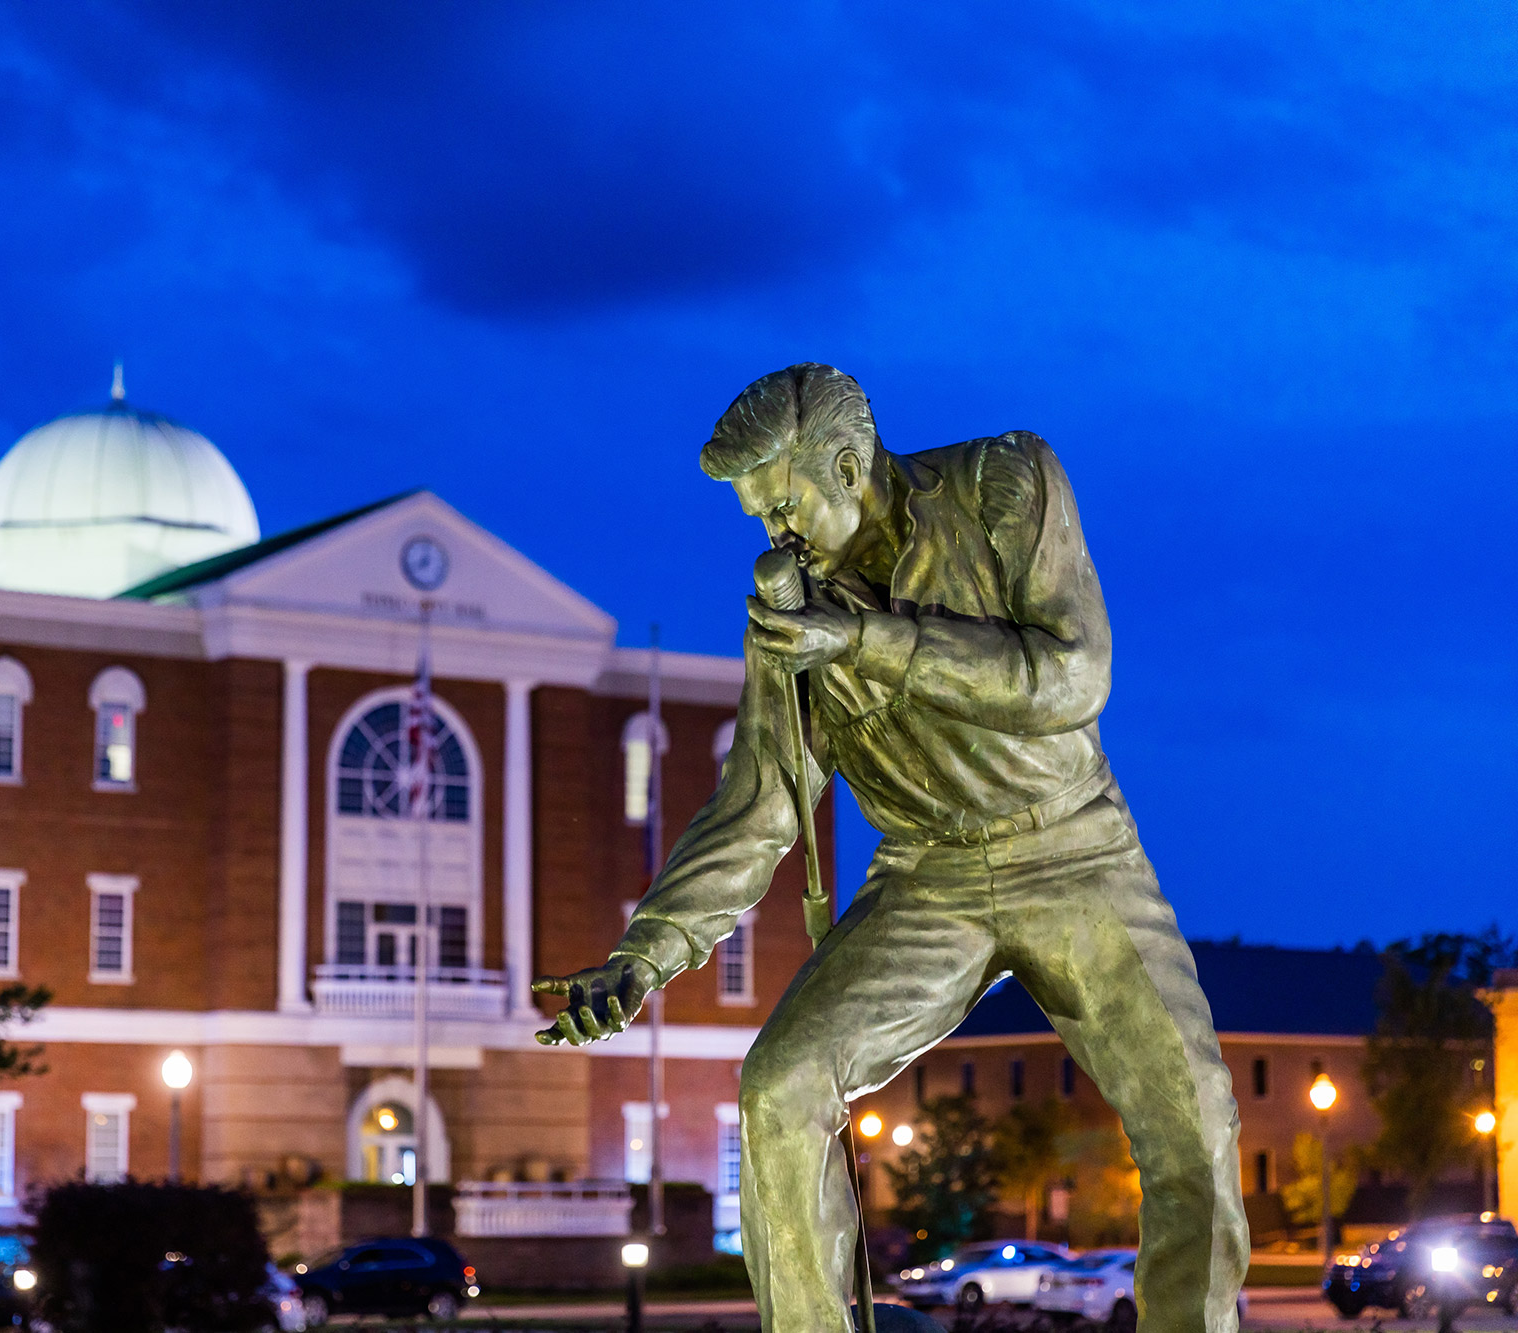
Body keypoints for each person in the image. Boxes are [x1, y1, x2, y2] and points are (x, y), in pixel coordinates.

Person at [533, 364, 1246, 1333]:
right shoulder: (787, 605)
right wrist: (643, 954)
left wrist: (863, 640)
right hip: (924, 878)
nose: (770, 535)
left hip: (1074, 853)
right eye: (754, 517)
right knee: (779, 1092)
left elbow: (1071, 678)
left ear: (844, 462)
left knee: (1193, 1125)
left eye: (779, 506)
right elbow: (758, 804)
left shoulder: (1004, 483)